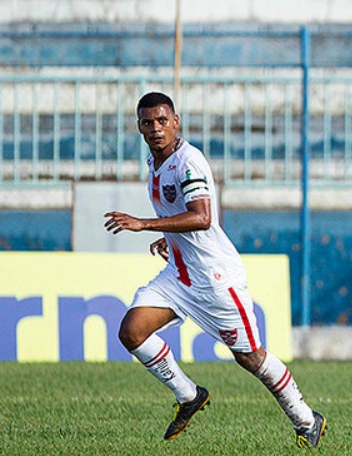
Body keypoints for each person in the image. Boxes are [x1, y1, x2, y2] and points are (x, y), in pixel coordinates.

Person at [105, 92, 326, 448]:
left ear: (176, 121)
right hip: (180, 275)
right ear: (139, 127)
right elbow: (181, 215)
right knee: (132, 332)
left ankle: (305, 418)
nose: (156, 128)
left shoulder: (188, 162)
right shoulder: (154, 162)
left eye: (163, 121)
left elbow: (203, 217)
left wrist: (146, 225)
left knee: (250, 357)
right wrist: (168, 238)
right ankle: (189, 395)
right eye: (149, 123)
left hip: (213, 278)